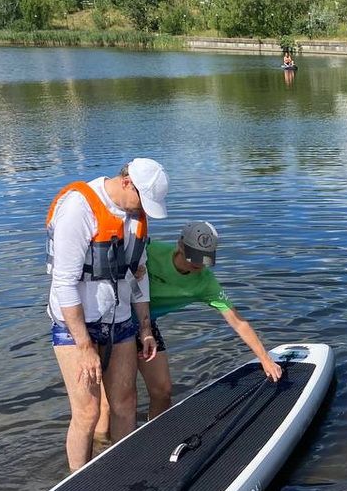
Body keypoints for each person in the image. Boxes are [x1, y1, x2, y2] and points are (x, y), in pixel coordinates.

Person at [96, 221, 282, 435]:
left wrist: (265, 359)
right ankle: (100, 450)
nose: (198, 264)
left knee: (163, 391)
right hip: (114, 322)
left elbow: (238, 321)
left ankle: (153, 438)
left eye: (204, 259)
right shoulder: (151, 252)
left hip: (146, 327)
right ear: (180, 245)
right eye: (192, 256)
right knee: (109, 404)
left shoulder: (205, 282)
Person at [45, 158, 168, 471]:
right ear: (127, 182)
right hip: (74, 328)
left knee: (126, 403)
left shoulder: (137, 217)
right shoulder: (80, 207)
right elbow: (64, 283)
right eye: (142, 200)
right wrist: (85, 347)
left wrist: (145, 328)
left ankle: (123, 473)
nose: (142, 209)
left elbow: (138, 276)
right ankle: (77, 482)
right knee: (87, 412)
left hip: (121, 322)